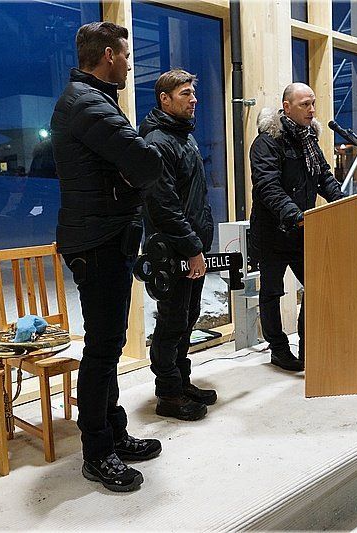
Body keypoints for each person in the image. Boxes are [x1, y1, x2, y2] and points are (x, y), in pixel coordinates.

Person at [51, 21, 162, 493]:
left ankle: (113, 433)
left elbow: (130, 164)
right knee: (101, 349)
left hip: (100, 236)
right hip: (98, 240)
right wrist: (128, 176)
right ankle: (97, 453)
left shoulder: (89, 99)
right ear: (109, 56)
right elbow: (148, 163)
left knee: (109, 344)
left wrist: (124, 175)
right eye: (126, 54)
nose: (131, 63)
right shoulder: (89, 104)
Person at [248, 83, 345, 372]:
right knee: (272, 293)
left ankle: (308, 346)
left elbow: (323, 176)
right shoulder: (267, 142)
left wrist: (343, 203)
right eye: (305, 104)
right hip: (273, 232)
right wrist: (294, 214)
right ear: (287, 107)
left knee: (316, 287)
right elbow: (268, 186)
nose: (312, 110)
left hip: (303, 231)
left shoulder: (309, 139)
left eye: (313, 103)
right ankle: (278, 349)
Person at [139, 69, 216, 421]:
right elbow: (164, 206)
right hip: (171, 251)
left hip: (189, 246)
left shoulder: (184, 136)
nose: (194, 99)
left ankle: (181, 381)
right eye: (186, 93)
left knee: (187, 317)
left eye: (193, 93)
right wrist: (192, 248)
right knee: (172, 321)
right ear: (164, 99)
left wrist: (198, 244)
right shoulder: (158, 141)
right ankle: (168, 394)